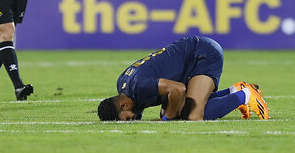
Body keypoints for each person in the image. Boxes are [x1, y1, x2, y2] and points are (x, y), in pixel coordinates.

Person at [97, 36, 270, 122]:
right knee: (176, 110)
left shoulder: (139, 87)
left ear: (123, 105)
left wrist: (167, 120)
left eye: (127, 118)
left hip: (202, 54)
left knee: (192, 116)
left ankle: (246, 95)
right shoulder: (124, 85)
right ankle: (234, 91)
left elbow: (178, 89)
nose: (132, 120)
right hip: (188, 58)